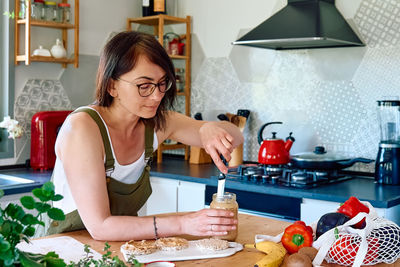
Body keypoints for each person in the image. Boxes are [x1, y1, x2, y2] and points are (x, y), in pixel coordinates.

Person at [50, 31, 244, 241]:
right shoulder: (82, 128)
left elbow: (236, 136)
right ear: (112, 85)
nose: (157, 95)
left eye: (162, 83)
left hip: (122, 249)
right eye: (144, 86)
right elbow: (101, 227)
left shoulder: (159, 123)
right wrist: (184, 223)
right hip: (64, 253)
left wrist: (209, 128)